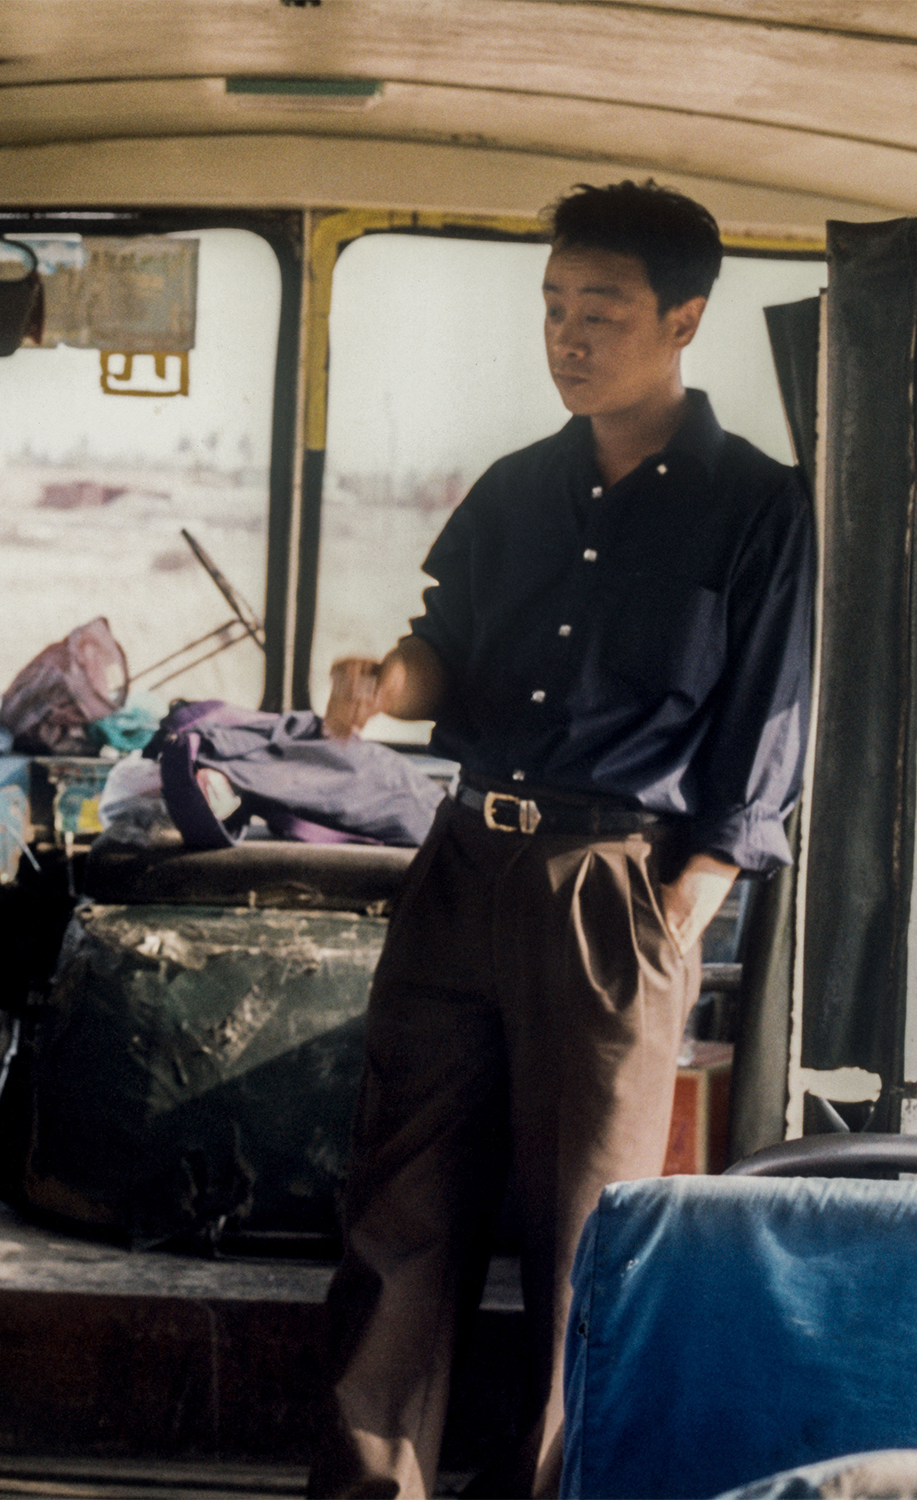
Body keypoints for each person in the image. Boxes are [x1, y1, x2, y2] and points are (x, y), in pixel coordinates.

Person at [306, 182, 814, 1500]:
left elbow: (765, 741)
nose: (568, 335)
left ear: (685, 318)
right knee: (397, 1221)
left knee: (586, 1240)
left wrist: (678, 911)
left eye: (603, 309)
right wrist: (385, 685)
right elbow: (445, 652)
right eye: (552, 307)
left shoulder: (760, 512)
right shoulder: (517, 490)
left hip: (618, 891)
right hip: (463, 863)